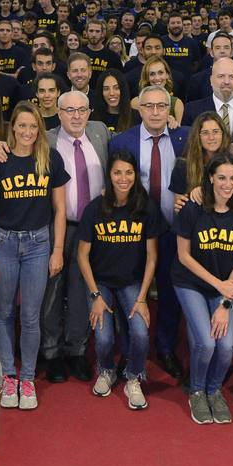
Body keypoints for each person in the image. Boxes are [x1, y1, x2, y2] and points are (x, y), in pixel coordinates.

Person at [0, 102, 68, 410]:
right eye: (22, 126)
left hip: (39, 245)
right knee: (4, 313)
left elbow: (60, 210)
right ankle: (8, 377)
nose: (27, 132)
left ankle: (27, 378)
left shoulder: (49, 158)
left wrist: (57, 250)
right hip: (3, 242)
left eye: (33, 127)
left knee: (31, 315)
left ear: (39, 130)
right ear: (12, 127)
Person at [109, 85, 190, 383]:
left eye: (161, 106)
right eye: (149, 106)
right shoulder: (122, 141)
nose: (156, 112)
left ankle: (166, 348)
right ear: (139, 109)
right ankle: (130, 351)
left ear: (169, 110)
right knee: (130, 291)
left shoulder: (186, 138)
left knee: (170, 293)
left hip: (173, 230)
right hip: (134, 233)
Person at [77, 150, 162, 410]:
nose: (123, 178)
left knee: (140, 332)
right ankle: (106, 370)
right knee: (103, 338)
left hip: (131, 282)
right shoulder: (95, 208)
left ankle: (133, 377)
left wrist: (142, 298)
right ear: (109, 176)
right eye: (117, 173)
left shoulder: (145, 208)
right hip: (100, 281)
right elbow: (82, 256)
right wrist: (95, 296)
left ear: (135, 175)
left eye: (128, 172)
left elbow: (151, 256)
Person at [172, 155, 233, 425]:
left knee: (226, 347)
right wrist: (219, 286)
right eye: (221, 178)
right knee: (206, 343)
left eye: (232, 178)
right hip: (191, 282)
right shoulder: (193, 208)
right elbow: (183, 256)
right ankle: (196, 390)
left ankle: (213, 389)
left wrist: (225, 304)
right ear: (210, 178)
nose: (227, 184)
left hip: (225, 287)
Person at [40, 90, 109, 383]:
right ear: (59, 114)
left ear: (90, 112)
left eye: (82, 109)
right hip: (55, 225)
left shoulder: (100, 132)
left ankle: (77, 350)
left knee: (82, 291)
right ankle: (52, 353)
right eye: (70, 110)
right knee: (52, 291)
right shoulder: (46, 140)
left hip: (91, 229)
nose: (77, 116)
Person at [182, 57, 233, 147]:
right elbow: (190, 148)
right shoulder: (192, 111)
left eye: (232, 77)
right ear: (211, 80)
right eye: (221, 76)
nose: (226, 82)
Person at [90, 67, 133, 133]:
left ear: (123, 89)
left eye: (116, 88)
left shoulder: (136, 117)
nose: (111, 93)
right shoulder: (93, 118)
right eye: (106, 89)